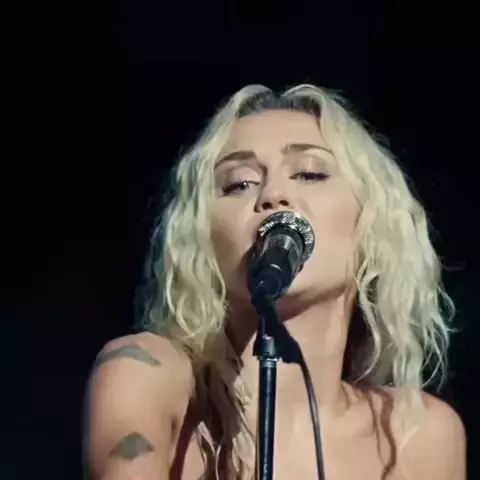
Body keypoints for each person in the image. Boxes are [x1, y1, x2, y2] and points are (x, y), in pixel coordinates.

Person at [82, 84, 467, 480]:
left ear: (371, 226)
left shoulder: (416, 437)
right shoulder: (146, 375)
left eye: (310, 173)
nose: (274, 194)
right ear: (203, 239)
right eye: (239, 183)